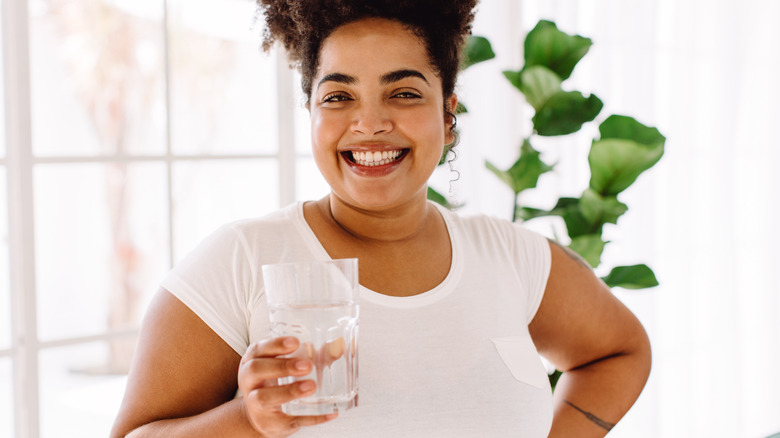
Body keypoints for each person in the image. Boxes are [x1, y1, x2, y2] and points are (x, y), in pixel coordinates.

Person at [110, 1, 651, 437]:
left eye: (404, 92)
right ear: (312, 114)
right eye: (339, 95)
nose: (369, 123)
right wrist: (246, 421)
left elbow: (620, 353)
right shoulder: (243, 260)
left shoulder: (512, 256)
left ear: (448, 113)